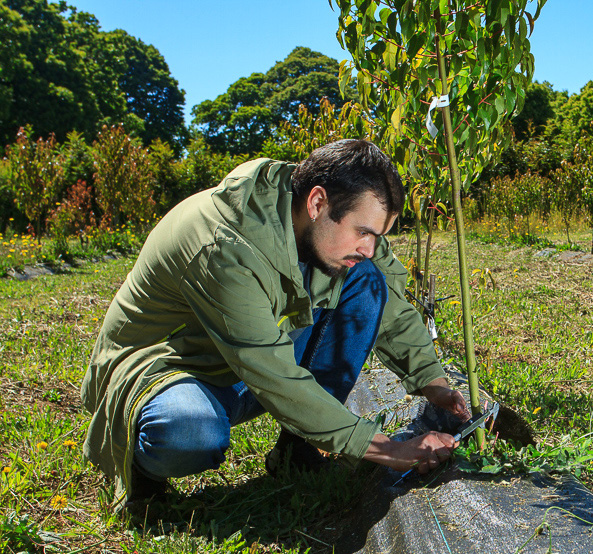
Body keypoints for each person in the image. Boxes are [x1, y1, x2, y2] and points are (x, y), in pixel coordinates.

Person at [81, 139, 470, 507]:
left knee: (367, 278)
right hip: (166, 367)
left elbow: (394, 311)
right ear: (318, 201)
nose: (369, 247)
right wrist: (386, 449)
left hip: (240, 357)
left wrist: (433, 384)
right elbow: (272, 373)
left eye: (378, 235)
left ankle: (297, 450)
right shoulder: (225, 243)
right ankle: (141, 466)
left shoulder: (320, 224)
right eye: (363, 231)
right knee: (190, 432)